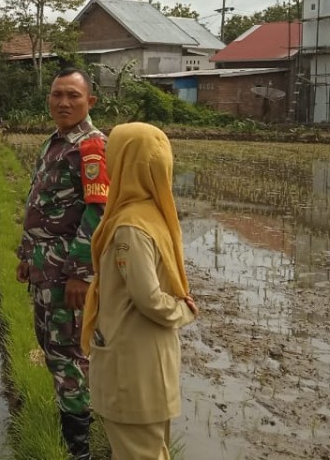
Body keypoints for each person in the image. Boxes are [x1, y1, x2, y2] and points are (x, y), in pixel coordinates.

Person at [81, 122, 197, 460]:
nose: (107, 164)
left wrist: (183, 311)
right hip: (151, 362)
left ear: (124, 164)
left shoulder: (130, 226)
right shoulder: (156, 215)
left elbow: (148, 298)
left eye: (111, 156)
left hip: (132, 368)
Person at [15, 67, 109, 460]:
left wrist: (81, 273)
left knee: (69, 356)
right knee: (54, 350)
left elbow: (98, 211)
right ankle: (74, 428)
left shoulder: (92, 147)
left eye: (73, 95)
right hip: (44, 268)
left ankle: (79, 451)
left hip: (65, 274)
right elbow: (40, 203)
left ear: (91, 101)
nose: (63, 102)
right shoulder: (55, 142)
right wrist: (25, 256)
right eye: (57, 95)